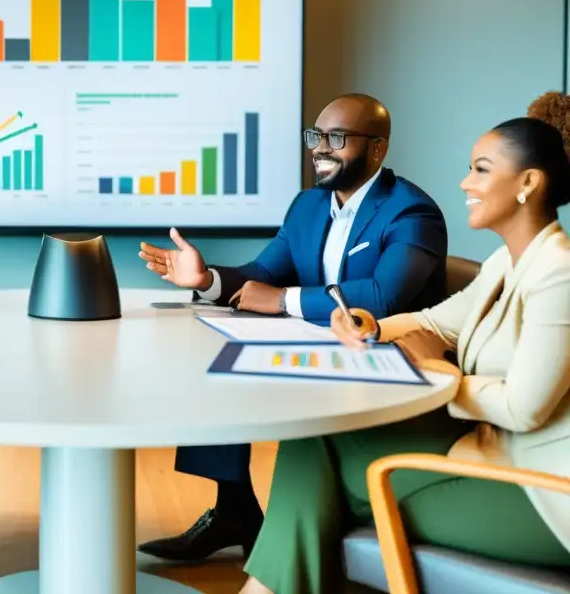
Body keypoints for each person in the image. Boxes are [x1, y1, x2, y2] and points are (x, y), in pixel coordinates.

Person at [238, 104, 570, 594]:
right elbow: (436, 321)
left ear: (527, 184)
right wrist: (374, 324)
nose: (464, 183)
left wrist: (439, 372)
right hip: (487, 454)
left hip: (542, 497)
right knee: (313, 439)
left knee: (320, 483)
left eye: (480, 170)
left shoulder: (558, 274)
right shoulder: (507, 262)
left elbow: (523, 409)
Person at [136, 93, 449, 562]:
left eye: (336, 138)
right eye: (315, 137)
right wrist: (207, 280)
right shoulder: (307, 206)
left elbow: (385, 297)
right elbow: (263, 273)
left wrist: (284, 300)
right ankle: (234, 508)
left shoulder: (411, 212)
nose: (320, 148)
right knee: (216, 362)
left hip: (385, 359)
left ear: (378, 149)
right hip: (326, 346)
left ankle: (290, 529)